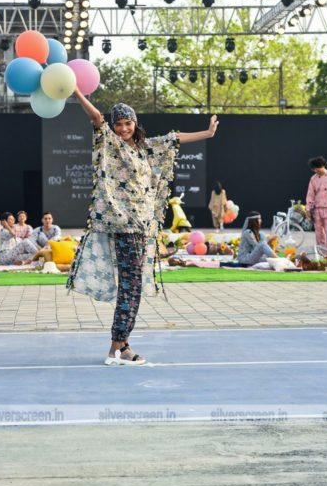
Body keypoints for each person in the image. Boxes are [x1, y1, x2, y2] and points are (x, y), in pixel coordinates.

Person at [67, 86, 219, 366]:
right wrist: (75, 89)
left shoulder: (145, 148)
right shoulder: (111, 143)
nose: (123, 128)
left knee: (132, 285)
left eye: (128, 123)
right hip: (123, 224)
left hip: (141, 227)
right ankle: (117, 347)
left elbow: (174, 139)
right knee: (131, 285)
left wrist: (207, 134)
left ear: (135, 123)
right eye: (119, 124)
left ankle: (120, 344)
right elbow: (97, 118)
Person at [306, 156, 327, 253]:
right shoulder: (313, 179)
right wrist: (308, 209)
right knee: (319, 233)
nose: (315, 170)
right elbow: (310, 194)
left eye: (316, 168)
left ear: (322, 165)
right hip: (317, 209)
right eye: (313, 169)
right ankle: (321, 253)